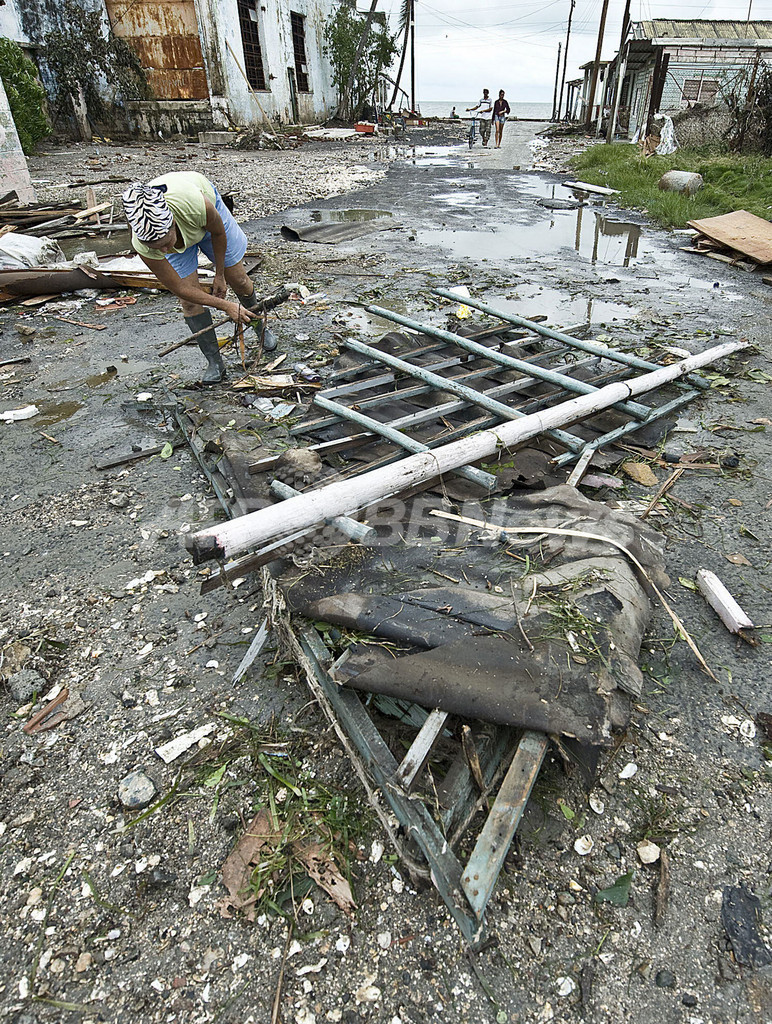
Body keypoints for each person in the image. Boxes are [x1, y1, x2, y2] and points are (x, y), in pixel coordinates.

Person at [122, 172, 273, 385]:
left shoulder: (194, 205)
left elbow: (219, 234)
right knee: (190, 303)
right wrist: (226, 306)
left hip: (203, 216)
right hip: (179, 225)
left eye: (167, 242)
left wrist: (219, 275)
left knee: (238, 279)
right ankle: (214, 362)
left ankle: (260, 329)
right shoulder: (144, 243)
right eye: (158, 248)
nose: (166, 250)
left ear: (173, 223)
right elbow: (181, 289)